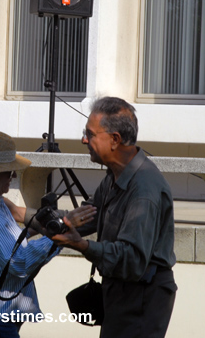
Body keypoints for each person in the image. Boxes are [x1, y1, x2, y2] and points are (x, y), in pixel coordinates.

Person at [51, 96, 178, 338]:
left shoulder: (144, 188)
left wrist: (82, 246)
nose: (83, 140)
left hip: (141, 298)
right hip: (120, 295)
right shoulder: (114, 176)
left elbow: (131, 259)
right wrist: (26, 216)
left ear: (114, 140)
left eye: (90, 134)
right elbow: (83, 218)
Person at [0, 130, 95, 338]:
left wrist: (48, 226)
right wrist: (60, 231)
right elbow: (18, 262)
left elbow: (9, 238)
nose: (14, 176)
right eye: (9, 171)